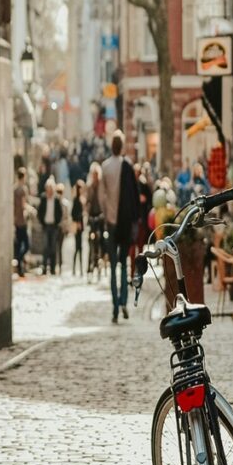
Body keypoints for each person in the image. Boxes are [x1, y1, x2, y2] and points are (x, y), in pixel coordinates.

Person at [99, 129, 140, 324]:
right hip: (124, 222)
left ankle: (115, 306)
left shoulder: (105, 167)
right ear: (122, 146)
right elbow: (134, 196)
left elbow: (101, 196)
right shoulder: (127, 166)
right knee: (124, 263)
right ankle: (124, 300)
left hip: (111, 221)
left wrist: (106, 212)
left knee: (113, 265)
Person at [85, 162, 105, 281]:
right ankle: (90, 267)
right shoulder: (89, 186)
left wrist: (104, 214)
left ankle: (101, 261)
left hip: (100, 217)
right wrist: (86, 213)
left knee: (101, 239)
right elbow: (87, 201)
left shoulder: (102, 186)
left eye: (96, 174)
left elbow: (104, 200)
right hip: (92, 216)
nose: (95, 176)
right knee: (91, 241)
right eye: (94, 174)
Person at [38, 178, 61, 276]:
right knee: (45, 247)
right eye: (48, 188)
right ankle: (44, 267)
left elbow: (59, 213)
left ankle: (52, 268)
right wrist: (42, 222)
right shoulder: (43, 198)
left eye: (51, 188)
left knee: (53, 247)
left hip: (54, 226)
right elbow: (39, 212)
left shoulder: (56, 199)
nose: (50, 190)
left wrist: (57, 223)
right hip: (46, 225)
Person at [13, 167, 31, 278]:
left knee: (19, 244)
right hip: (22, 221)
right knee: (26, 245)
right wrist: (31, 210)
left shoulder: (14, 189)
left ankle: (20, 268)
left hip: (16, 220)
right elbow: (24, 205)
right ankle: (19, 260)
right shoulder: (23, 190)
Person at [71, 179, 86, 276]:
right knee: (78, 248)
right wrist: (78, 222)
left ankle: (79, 269)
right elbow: (73, 213)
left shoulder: (80, 199)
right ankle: (76, 269)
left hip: (80, 226)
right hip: (77, 227)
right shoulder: (76, 200)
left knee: (79, 248)